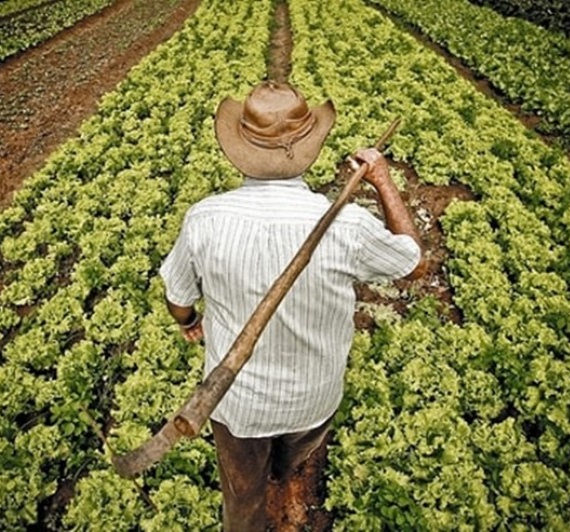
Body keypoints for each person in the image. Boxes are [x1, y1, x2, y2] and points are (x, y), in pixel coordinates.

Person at [159, 80, 425, 530]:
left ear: (240, 147)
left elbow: (178, 299)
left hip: (235, 406)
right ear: (310, 148)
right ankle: (283, 473)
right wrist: (382, 180)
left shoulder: (204, 219)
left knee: (242, 498)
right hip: (313, 398)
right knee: (294, 454)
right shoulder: (348, 225)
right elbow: (411, 262)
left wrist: (190, 322)